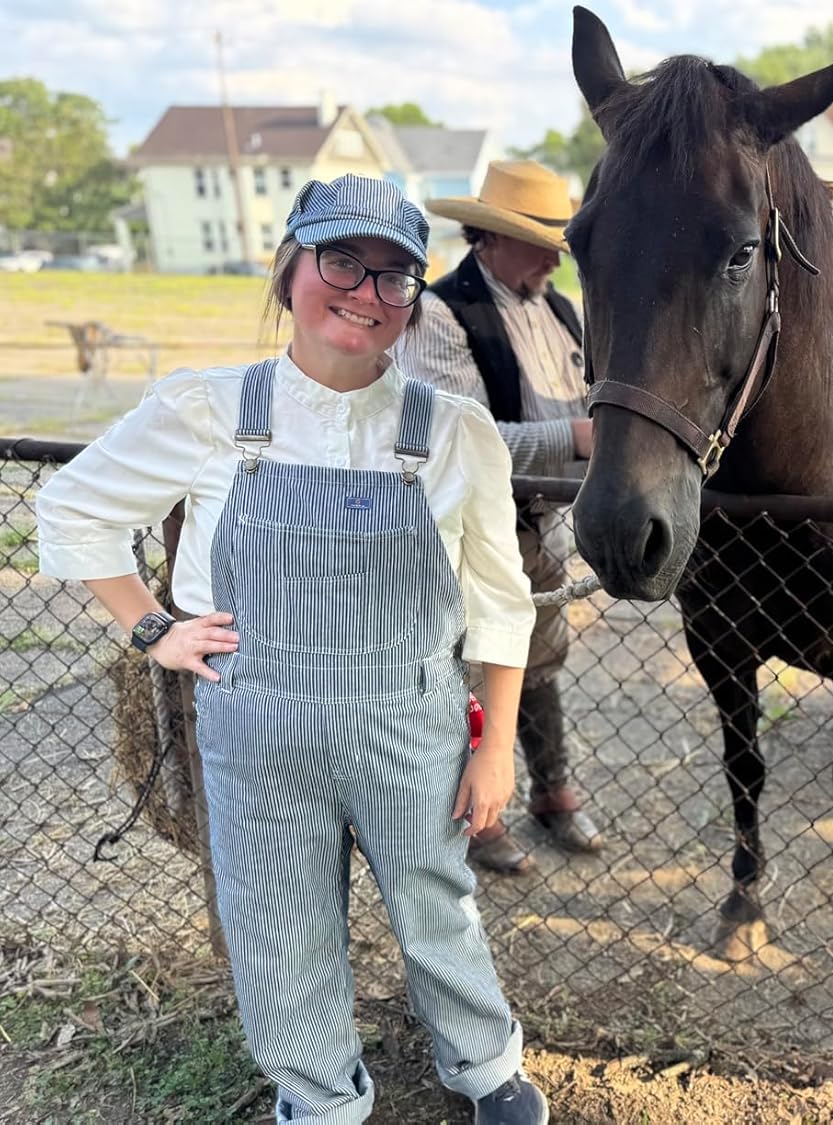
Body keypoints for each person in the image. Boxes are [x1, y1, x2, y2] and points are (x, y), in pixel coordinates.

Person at [36, 175, 548, 1125]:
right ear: (290, 269)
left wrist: (494, 746)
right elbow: (72, 508)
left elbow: (500, 604)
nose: (365, 290)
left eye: (395, 275)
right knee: (280, 922)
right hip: (257, 718)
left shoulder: (453, 434)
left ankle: (487, 1069)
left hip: (411, 717)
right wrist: (154, 627)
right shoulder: (210, 411)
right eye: (342, 260)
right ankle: (317, 1095)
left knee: (438, 909)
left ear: (413, 301)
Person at [396, 159, 601, 875]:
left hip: (536, 519)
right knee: (467, 667)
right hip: (464, 522)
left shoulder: (557, 308)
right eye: (539, 239)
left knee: (538, 657)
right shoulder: (441, 314)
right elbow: (458, 438)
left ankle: (551, 791)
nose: (553, 256)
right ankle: (478, 816)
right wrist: (576, 439)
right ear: (489, 237)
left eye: (556, 241)